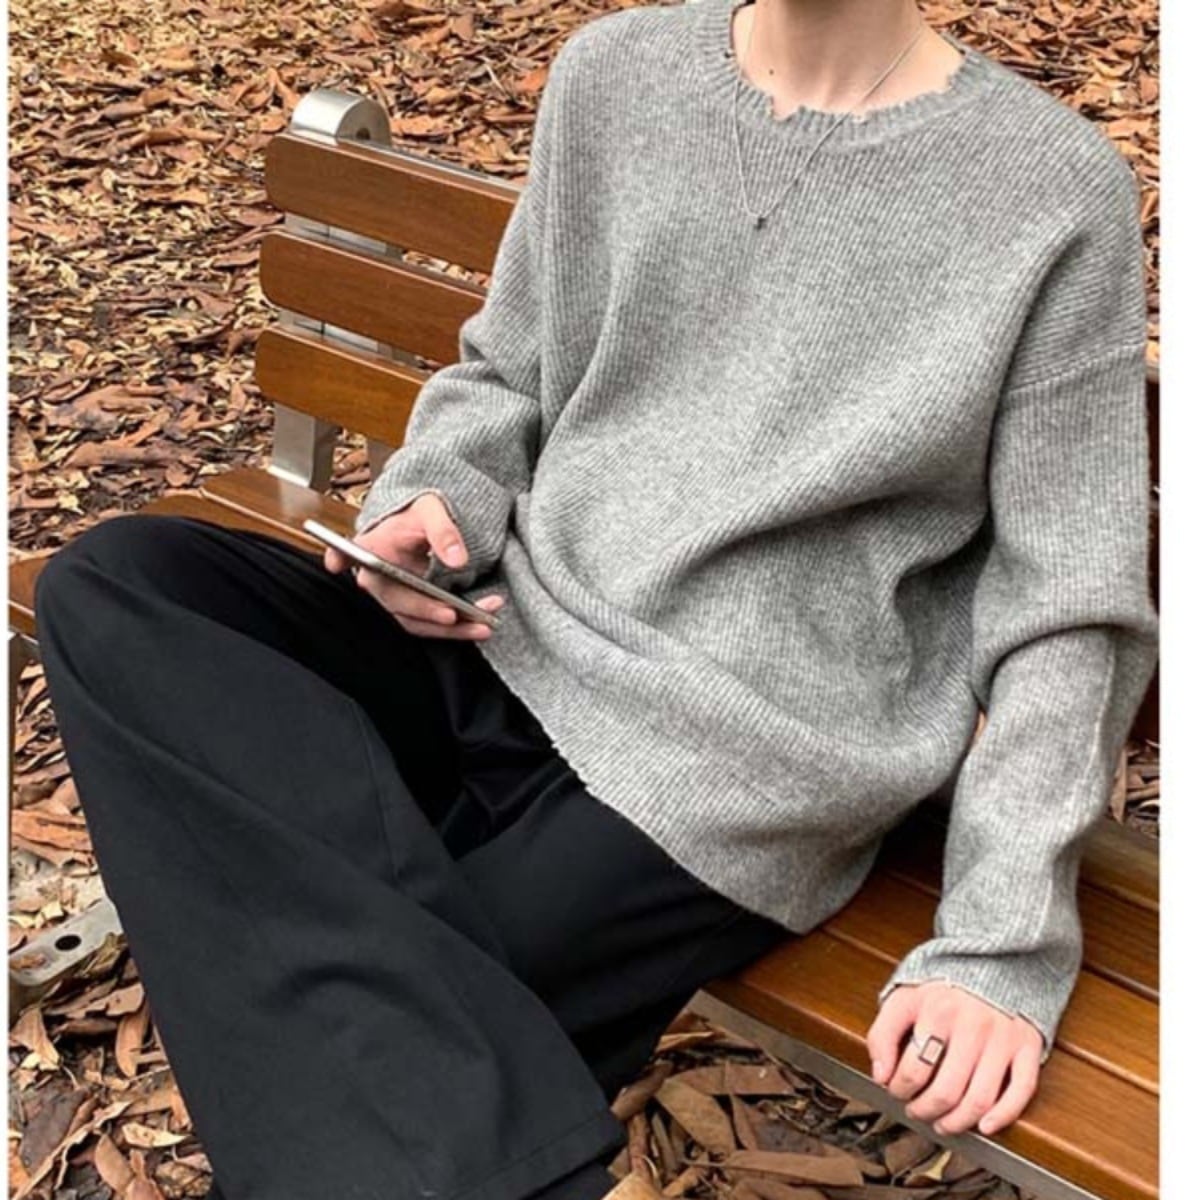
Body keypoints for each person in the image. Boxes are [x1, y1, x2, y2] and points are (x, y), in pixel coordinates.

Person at [32, 0, 1158, 1197]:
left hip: (733, 762)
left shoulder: (1048, 187)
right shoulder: (615, 75)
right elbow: (508, 370)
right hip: (503, 633)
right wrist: (438, 496)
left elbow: (1071, 605)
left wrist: (999, 940)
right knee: (128, 584)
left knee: (409, 1038)